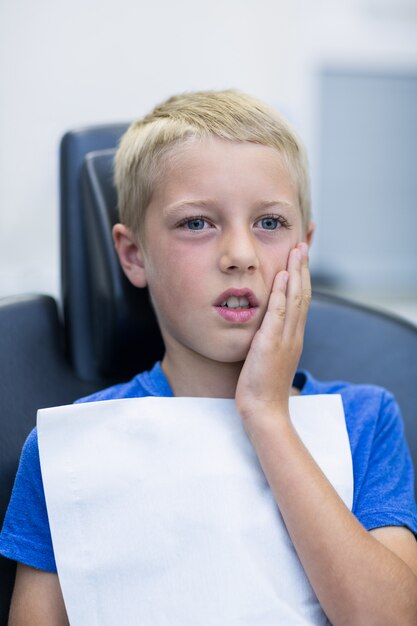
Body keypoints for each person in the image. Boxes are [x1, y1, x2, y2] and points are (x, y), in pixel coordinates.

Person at [1, 90, 417, 625]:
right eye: (197, 223)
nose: (240, 255)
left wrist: (267, 415)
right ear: (134, 255)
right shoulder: (68, 453)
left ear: (304, 250)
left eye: (269, 223)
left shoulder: (365, 421)